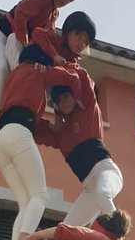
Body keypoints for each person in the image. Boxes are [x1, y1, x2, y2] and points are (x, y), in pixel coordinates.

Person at [0, 59, 90, 240]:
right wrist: (58, 63)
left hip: (0, 141)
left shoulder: (17, 79)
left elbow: (54, 135)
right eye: (58, 99)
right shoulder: (37, 70)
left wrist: (56, 111)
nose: (60, 102)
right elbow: (72, 77)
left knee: (25, 201)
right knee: (40, 196)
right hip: (17, 132)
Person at [0, 0, 83, 123]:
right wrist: (25, 43)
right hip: (2, 38)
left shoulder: (54, 14)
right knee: (1, 68)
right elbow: (21, 15)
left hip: (17, 43)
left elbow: (47, 38)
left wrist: (56, 56)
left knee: (39, 69)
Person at [35, 77, 123, 227]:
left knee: (103, 193)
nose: (64, 102)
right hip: (89, 188)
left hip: (106, 172)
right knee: (67, 233)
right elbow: (32, 129)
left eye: (66, 96)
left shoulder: (88, 111)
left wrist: (52, 70)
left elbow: (82, 77)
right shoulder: (60, 136)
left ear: (74, 95)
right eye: (59, 100)